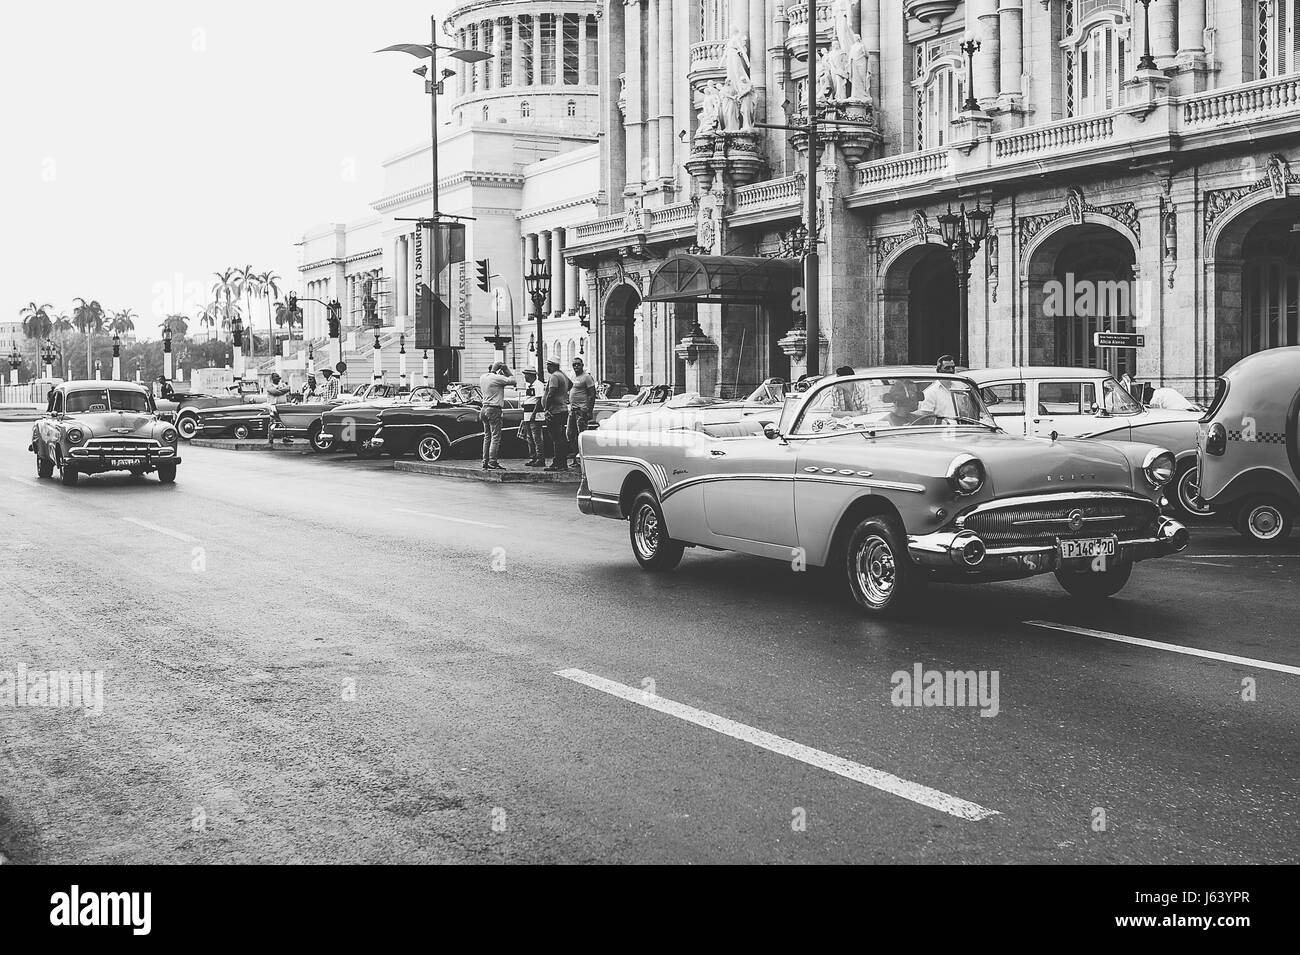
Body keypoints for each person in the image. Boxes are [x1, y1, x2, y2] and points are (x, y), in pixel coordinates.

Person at [478, 361, 514, 470]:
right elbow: (513, 381)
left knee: (487, 436)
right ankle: (492, 462)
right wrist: (506, 370)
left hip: (483, 409)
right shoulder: (496, 378)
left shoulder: (483, 377)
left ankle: (485, 461)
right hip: (494, 409)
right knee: (495, 437)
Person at [567, 357, 597, 466]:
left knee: (581, 435)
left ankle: (583, 460)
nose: (576, 366)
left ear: (582, 365)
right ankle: (576, 457)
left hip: (582, 410)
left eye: (578, 364)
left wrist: (589, 411)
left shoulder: (587, 377)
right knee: (570, 434)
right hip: (573, 410)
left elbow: (592, 395)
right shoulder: (573, 376)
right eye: (574, 364)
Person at [543, 356, 570, 471]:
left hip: (555, 410)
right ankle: (562, 462)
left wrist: (546, 408)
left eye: (548, 365)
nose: (547, 367)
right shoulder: (562, 375)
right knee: (561, 437)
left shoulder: (554, 376)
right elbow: (571, 384)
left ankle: (558, 463)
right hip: (562, 409)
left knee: (556, 438)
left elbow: (551, 393)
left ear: (552, 365)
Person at [519, 367, 546, 467]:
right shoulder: (528, 385)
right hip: (527, 414)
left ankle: (540, 458)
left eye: (526, 374)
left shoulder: (538, 385)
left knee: (536, 437)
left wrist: (534, 414)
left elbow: (539, 400)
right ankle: (533, 457)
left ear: (531, 375)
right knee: (530, 437)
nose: (525, 377)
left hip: (534, 415)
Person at [920, 355, 958, 419]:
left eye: (953, 367)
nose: (951, 370)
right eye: (947, 368)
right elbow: (926, 417)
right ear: (939, 370)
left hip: (961, 427)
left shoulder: (960, 388)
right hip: (942, 428)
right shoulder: (930, 392)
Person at [265, 372, 293, 445]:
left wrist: (282, 390)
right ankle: (270, 438)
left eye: (279, 377)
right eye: (276, 377)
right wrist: (284, 390)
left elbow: (289, 388)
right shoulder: (269, 386)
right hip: (273, 406)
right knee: (273, 422)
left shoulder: (282, 385)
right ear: (272, 378)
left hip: (282, 406)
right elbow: (275, 392)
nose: (278, 378)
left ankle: (285, 438)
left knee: (284, 422)